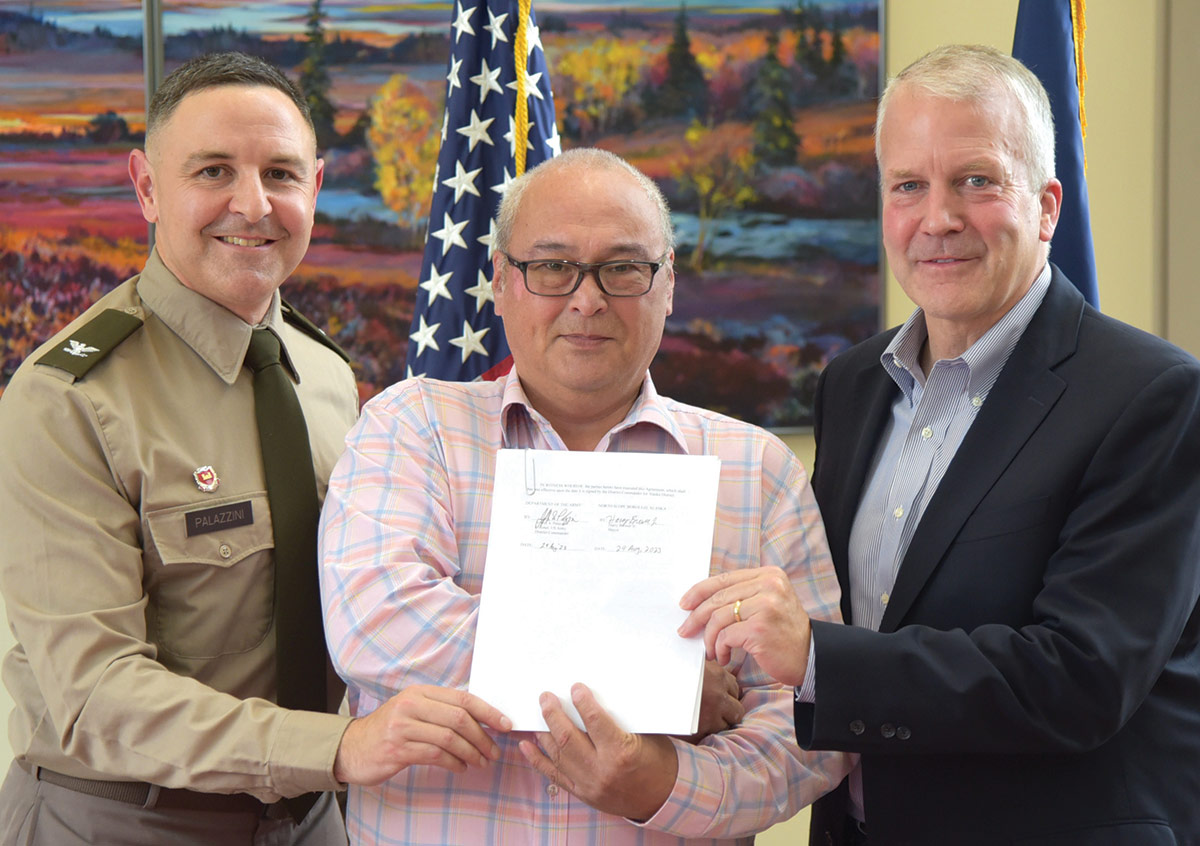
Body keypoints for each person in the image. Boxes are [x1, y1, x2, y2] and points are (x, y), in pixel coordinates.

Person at [679, 43, 1200, 845]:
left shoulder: (1152, 397)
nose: (939, 218)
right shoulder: (855, 382)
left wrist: (816, 654)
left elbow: (1081, 677)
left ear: (1048, 206)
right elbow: (838, 611)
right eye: (908, 186)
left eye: (977, 181)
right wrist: (724, 673)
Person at [0, 52, 510, 846]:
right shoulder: (66, 399)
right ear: (146, 188)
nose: (252, 203)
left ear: (314, 189)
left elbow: (393, 589)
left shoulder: (326, 376)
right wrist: (335, 748)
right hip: (125, 821)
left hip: (314, 817)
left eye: (280, 173)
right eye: (212, 170)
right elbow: (95, 692)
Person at [318, 147, 853, 845]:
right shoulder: (411, 428)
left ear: (667, 285)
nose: (588, 297)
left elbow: (812, 730)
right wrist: (659, 682)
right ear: (502, 282)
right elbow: (377, 624)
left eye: (623, 268)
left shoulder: (759, 471)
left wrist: (663, 786)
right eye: (552, 266)